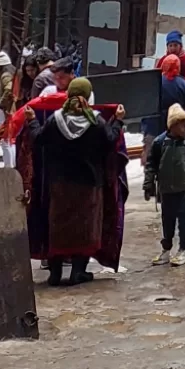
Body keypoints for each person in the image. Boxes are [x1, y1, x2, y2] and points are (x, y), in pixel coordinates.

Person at [28, 77, 126, 285]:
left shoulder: (55, 120)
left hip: (59, 184)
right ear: (88, 96)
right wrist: (117, 120)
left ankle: (55, 274)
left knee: (58, 226)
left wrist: (31, 120)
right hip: (89, 185)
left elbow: (38, 139)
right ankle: (77, 272)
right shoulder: (96, 122)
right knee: (85, 228)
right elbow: (110, 140)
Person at [146, 103, 185, 266]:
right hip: (166, 191)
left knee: (184, 221)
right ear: (172, 125)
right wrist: (148, 184)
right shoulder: (159, 143)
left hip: (183, 190)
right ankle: (166, 249)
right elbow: (152, 165)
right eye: (181, 125)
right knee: (167, 221)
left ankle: (183, 250)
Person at [142, 53, 185, 171]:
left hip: (153, 127)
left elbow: (145, 103)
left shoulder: (155, 82)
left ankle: (150, 184)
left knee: (151, 160)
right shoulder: (183, 84)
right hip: (174, 128)